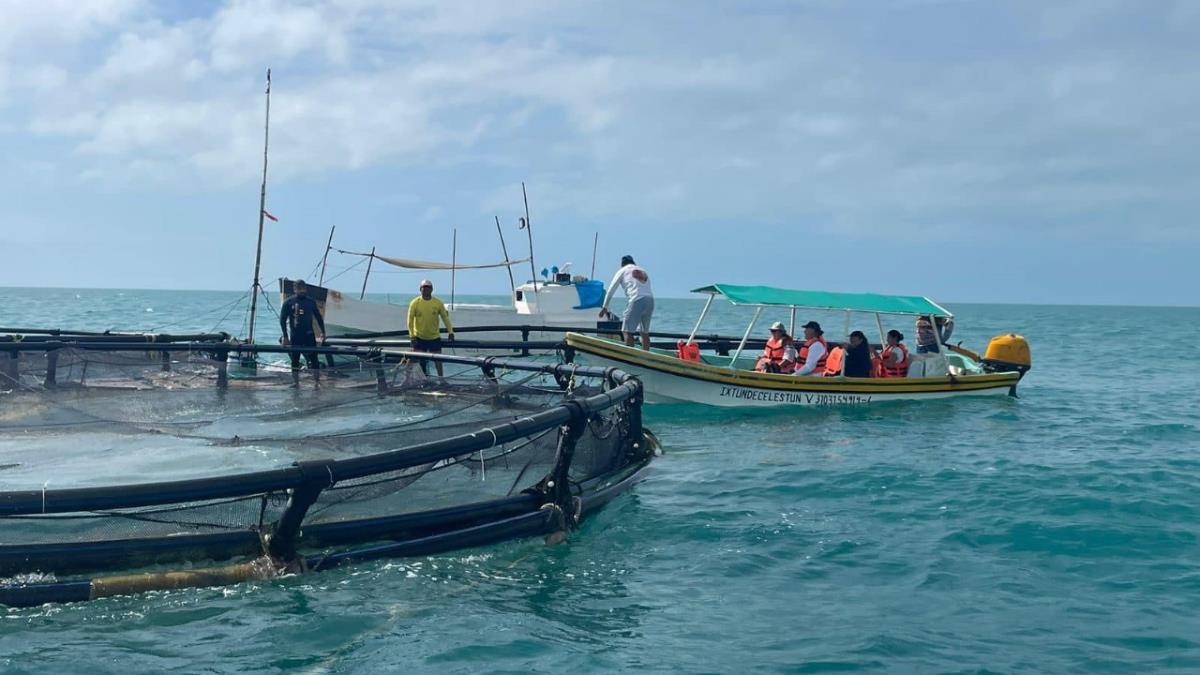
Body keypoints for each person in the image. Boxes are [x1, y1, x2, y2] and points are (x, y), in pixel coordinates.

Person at [599, 255, 654, 350]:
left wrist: (605, 306)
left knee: (626, 331)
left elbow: (611, 290)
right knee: (644, 333)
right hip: (650, 300)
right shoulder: (643, 270)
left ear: (622, 265)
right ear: (633, 263)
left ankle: (631, 356)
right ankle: (646, 356)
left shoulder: (622, 270)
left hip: (636, 299)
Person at [279, 279, 326, 387]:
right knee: (295, 360)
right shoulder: (288, 302)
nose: (302, 291)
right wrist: (285, 336)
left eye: (303, 288)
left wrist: (323, 332)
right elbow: (282, 320)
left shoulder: (310, 302)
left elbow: (319, 318)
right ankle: (295, 383)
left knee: (314, 359)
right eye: (299, 288)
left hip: (309, 335)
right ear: (295, 289)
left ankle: (316, 382)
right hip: (295, 336)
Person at [407, 279, 455, 378]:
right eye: (424, 288)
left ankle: (441, 379)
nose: (426, 290)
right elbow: (410, 320)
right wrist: (412, 336)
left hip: (434, 337)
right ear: (420, 289)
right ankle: (406, 379)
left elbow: (445, 318)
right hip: (419, 337)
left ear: (432, 289)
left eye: (428, 287)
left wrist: (450, 332)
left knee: (438, 360)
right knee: (412, 359)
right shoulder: (415, 303)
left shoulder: (438, 303)